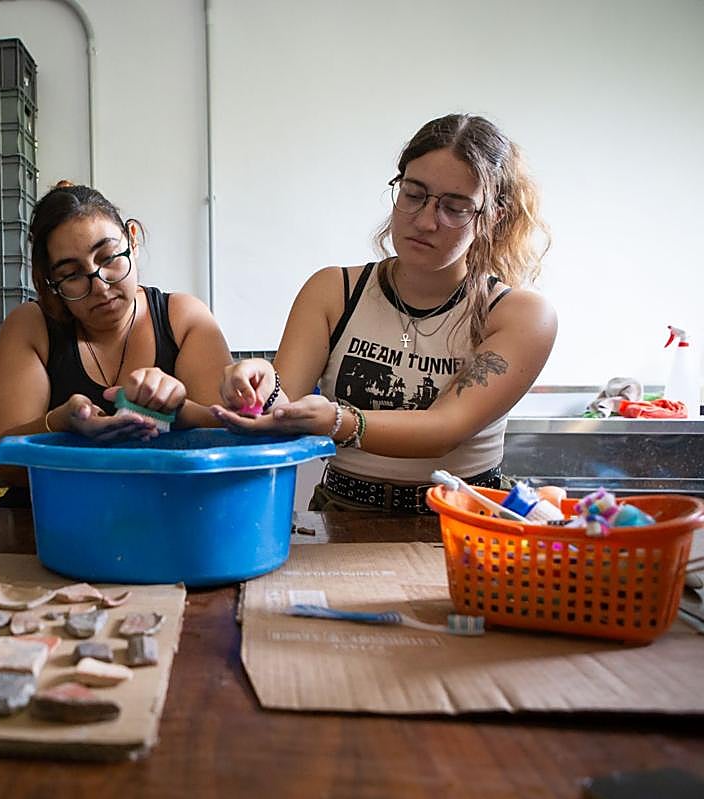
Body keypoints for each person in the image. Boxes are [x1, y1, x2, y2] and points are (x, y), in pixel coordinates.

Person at [214, 114, 557, 513]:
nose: (426, 221)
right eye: (414, 194)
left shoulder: (519, 314)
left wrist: (338, 421)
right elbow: (282, 406)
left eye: (455, 207)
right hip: (342, 510)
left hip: (460, 518)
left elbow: (445, 429)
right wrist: (257, 382)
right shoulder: (334, 291)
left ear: (492, 216)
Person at [0, 181, 232, 491]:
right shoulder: (31, 325)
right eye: (72, 275)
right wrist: (60, 425)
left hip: (170, 514)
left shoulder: (183, 318)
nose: (99, 287)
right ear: (51, 283)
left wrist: (179, 412)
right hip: (58, 519)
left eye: (109, 257)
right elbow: (2, 460)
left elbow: (228, 444)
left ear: (132, 240)